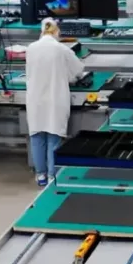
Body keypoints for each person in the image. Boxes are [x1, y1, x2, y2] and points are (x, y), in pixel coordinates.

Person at [24, 18, 88, 186]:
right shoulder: (61, 49)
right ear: (56, 31)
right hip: (55, 98)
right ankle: (54, 176)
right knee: (54, 137)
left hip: (35, 100)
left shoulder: (31, 49)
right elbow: (79, 69)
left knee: (37, 137)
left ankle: (41, 176)